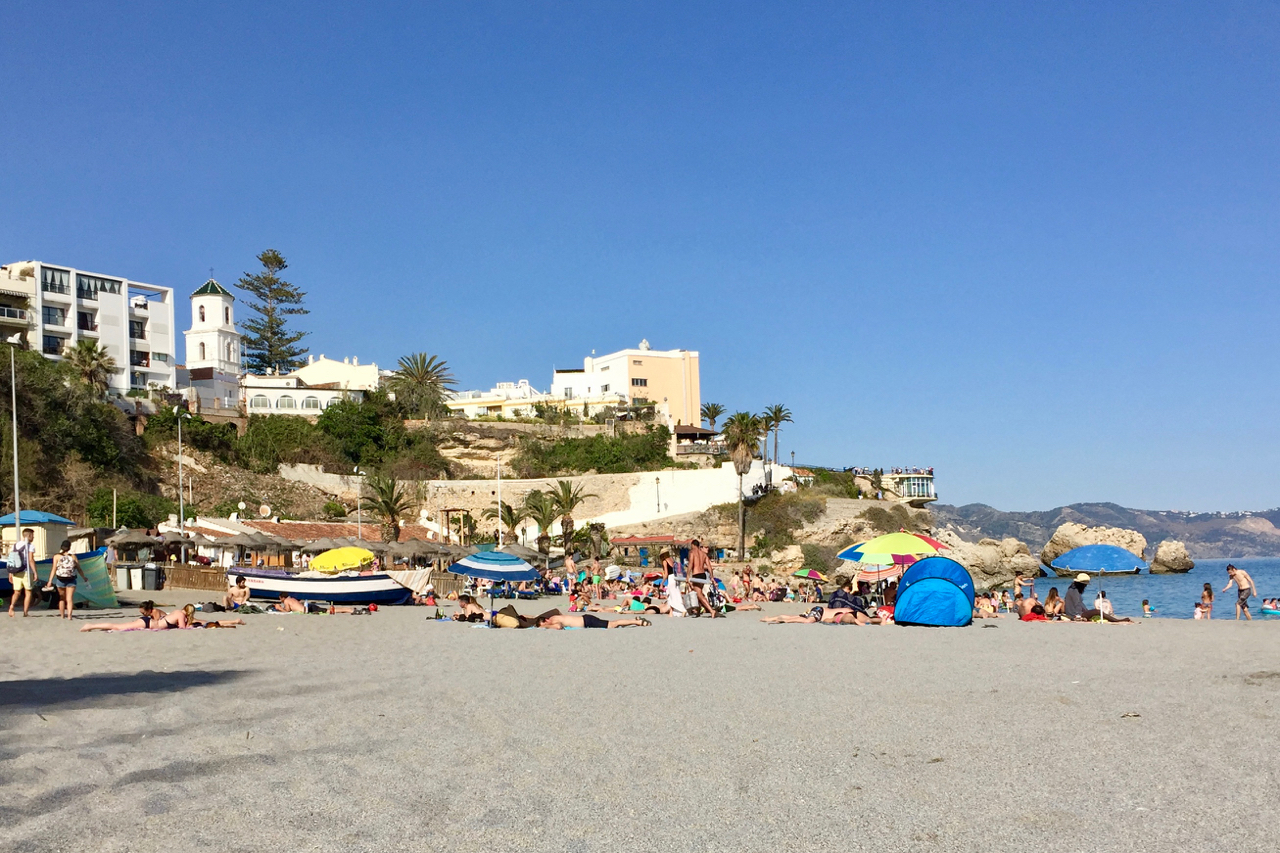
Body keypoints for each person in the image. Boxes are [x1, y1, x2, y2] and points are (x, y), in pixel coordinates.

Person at [1063, 574, 1133, 623]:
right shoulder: (1074, 591)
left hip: (1074, 613)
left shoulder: (1072, 590)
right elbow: (1077, 604)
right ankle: (1117, 620)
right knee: (1097, 611)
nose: (1085, 587)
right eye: (1085, 585)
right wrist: (1078, 616)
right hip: (1075, 614)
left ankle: (1115, 619)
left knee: (1095, 612)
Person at [49, 540, 86, 620]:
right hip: (71, 579)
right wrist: (84, 577)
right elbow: (79, 569)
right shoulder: (73, 557)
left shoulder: (56, 556)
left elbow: (54, 569)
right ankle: (69, 616)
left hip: (60, 579)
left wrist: (49, 581)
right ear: (69, 548)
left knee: (61, 598)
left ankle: (62, 615)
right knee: (69, 599)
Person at [80, 601, 164, 632]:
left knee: (117, 627)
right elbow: (157, 624)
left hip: (145, 622)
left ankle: (93, 626)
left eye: (144, 613)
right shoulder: (155, 611)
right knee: (117, 627)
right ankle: (91, 626)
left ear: (148, 610)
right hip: (146, 622)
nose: (144, 614)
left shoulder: (155, 611)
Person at [7, 527, 36, 617]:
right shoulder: (30, 546)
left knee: (17, 592)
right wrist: (35, 572)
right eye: (33, 536)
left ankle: (11, 606)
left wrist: (10, 573)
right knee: (28, 592)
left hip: (16, 571)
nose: (33, 538)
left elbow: (12, 559)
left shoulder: (15, 545)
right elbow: (31, 560)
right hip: (26, 571)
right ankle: (25, 612)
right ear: (29, 536)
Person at [687, 539, 719, 617]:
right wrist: (712, 577)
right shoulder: (704, 554)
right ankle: (698, 611)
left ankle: (711, 611)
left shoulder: (692, 553)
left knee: (699, 594)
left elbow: (690, 564)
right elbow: (709, 566)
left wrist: (687, 575)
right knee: (698, 593)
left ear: (693, 545)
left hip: (696, 575)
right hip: (703, 575)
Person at [534, 612, 650, 629]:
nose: (545, 625)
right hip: (586, 619)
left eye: (544, 624)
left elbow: (558, 627)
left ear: (546, 620)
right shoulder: (554, 617)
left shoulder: (553, 620)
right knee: (613, 623)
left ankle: (637, 622)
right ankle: (635, 620)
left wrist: (546, 627)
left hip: (587, 621)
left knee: (613, 624)